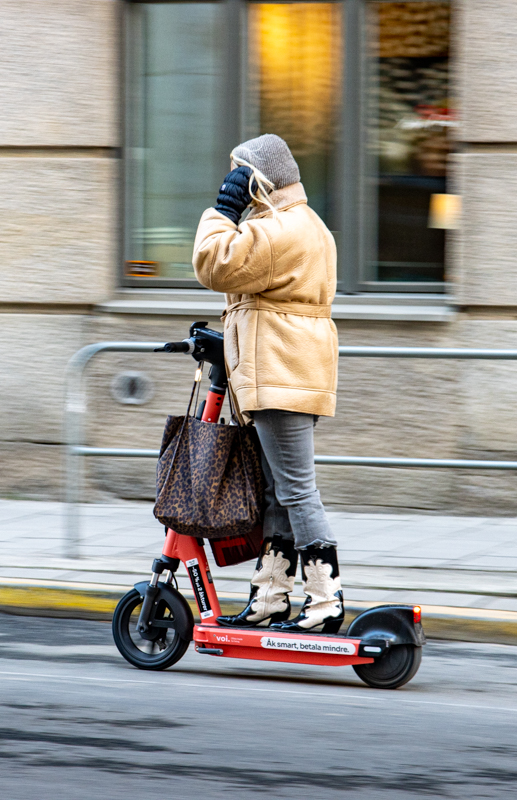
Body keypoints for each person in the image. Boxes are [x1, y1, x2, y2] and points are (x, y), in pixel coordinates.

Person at [192, 134, 343, 634]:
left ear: (257, 180)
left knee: (297, 490)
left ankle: (325, 601)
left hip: (281, 371)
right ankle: (270, 596)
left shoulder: (279, 230)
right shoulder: (307, 223)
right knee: (278, 492)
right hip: (290, 368)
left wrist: (222, 210)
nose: (233, 181)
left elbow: (214, 264)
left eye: (239, 173)